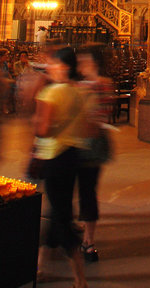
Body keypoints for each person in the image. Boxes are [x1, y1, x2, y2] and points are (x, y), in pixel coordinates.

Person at [34, 46, 89, 288]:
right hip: (72, 156)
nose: (49, 67)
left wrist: (43, 124)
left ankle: (79, 275)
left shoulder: (51, 93)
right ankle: (40, 265)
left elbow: (42, 129)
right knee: (57, 212)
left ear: (64, 67)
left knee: (60, 217)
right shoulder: (77, 92)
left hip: (54, 157)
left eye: (53, 64)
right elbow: (86, 126)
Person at [77, 45, 114, 262]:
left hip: (91, 148)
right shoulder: (77, 85)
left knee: (88, 193)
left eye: (85, 61)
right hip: (76, 146)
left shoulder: (102, 85)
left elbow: (99, 118)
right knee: (82, 192)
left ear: (95, 63)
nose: (81, 65)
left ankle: (88, 240)